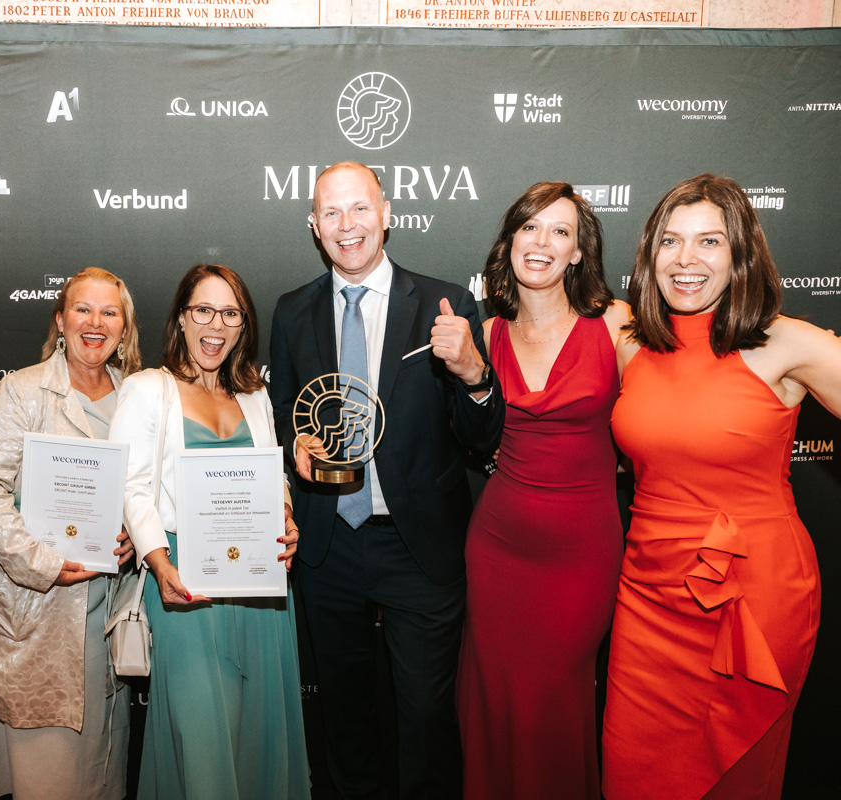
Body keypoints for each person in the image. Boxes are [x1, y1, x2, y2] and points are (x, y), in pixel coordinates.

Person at [269, 161, 504, 798]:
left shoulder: (444, 304)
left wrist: (474, 373)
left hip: (417, 546)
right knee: (344, 717)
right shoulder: (292, 311)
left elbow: (482, 438)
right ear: (314, 226)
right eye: (332, 213)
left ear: (387, 213)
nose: (347, 225)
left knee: (426, 718)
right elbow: (284, 414)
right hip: (328, 545)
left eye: (360, 208)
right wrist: (295, 444)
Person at [604, 174, 841, 799]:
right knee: (631, 775)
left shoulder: (785, 342)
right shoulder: (630, 343)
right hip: (648, 595)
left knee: (736, 780)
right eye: (671, 241)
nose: (686, 260)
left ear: (740, 254)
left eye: (709, 241)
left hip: (751, 601)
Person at [111, 264, 311, 800]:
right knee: (199, 733)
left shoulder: (255, 395)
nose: (215, 325)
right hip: (183, 579)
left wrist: (285, 516)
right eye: (203, 310)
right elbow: (130, 485)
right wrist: (159, 563)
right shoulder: (147, 389)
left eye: (230, 313)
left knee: (262, 730)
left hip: (260, 583)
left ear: (243, 325)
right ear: (181, 318)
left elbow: (273, 473)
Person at [456, 182, 629, 800]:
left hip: (582, 553)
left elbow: (667, 406)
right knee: (494, 698)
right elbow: (468, 434)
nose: (542, 242)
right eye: (530, 227)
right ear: (509, 242)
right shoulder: (485, 333)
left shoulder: (617, 323)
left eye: (560, 231)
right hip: (498, 547)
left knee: (552, 702)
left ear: (578, 252)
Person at [0, 267, 141, 800]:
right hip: (35, 607)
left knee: (98, 766)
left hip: (107, 605)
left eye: (109, 312)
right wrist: (42, 563)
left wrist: (136, 532)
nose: (95, 322)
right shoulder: (21, 391)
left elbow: (146, 488)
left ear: (124, 327)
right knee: (41, 769)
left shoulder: (136, 397)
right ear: (60, 320)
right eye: (82, 309)